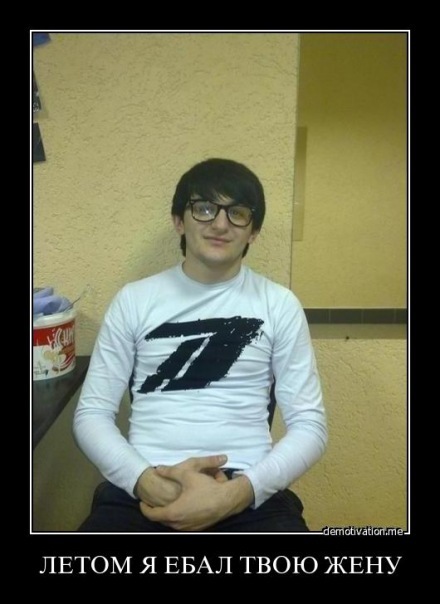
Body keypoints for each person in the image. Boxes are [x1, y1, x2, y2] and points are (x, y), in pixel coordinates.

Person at [73, 158, 327, 532]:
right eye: (205, 208)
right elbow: (92, 414)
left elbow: (310, 425)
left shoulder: (279, 305)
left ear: (253, 231)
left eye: (237, 213)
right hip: (146, 482)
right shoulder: (134, 300)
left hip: (248, 489)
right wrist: (148, 482)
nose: (221, 224)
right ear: (179, 220)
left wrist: (237, 493)